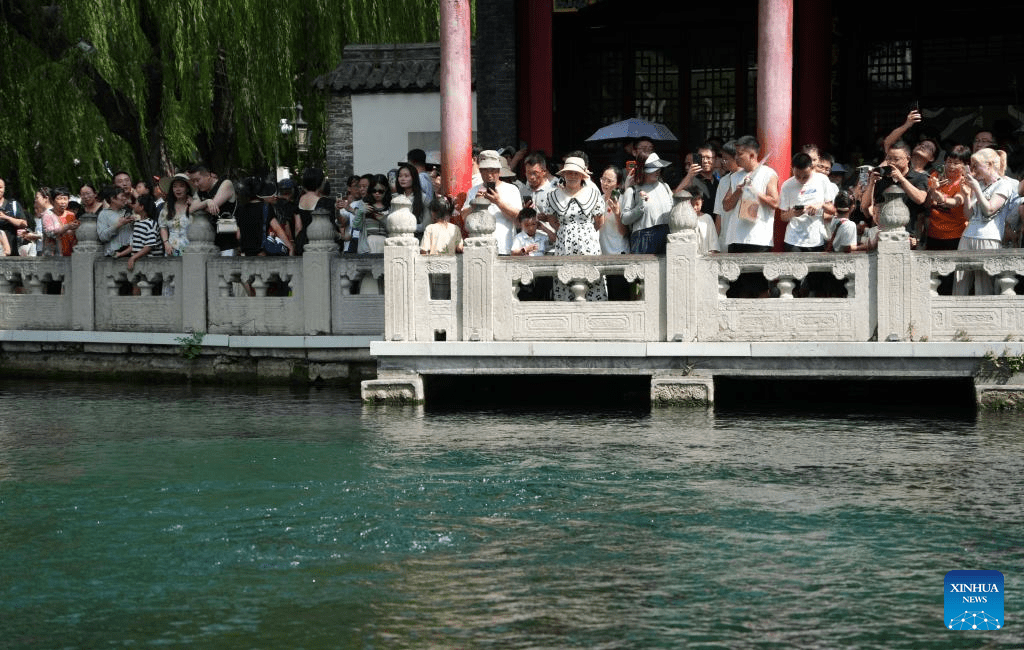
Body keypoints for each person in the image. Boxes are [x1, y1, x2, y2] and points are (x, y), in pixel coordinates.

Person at [721, 135, 780, 297]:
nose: (736, 157)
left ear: (752, 155)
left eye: (740, 154)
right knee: (737, 287)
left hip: (757, 238)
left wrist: (755, 192)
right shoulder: (735, 177)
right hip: (735, 237)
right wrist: (739, 190)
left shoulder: (768, 174)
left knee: (759, 286)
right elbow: (726, 206)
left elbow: (775, 202)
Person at [954, 148, 1016, 295]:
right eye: (972, 166)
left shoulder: (1004, 184)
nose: (974, 169)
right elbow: (969, 215)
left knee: (984, 284)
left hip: (989, 237)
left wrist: (976, 187)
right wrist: (968, 195)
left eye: (977, 165)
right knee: (960, 280)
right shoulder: (980, 184)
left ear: (989, 165)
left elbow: (989, 210)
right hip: (968, 235)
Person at [547, 156, 607, 301]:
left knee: (592, 281)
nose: (572, 176)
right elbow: (552, 221)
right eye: (569, 173)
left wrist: (585, 232)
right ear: (563, 175)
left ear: (582, 176)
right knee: (565, 282)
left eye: (576, 173)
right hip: (564, 245)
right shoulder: (553, 196)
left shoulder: (593, 194)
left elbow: (599, 222)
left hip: (588, 244)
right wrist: (567, 230)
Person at [861, 141, 928, 244]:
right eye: (889, 159)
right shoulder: (881, 178)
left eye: (896, 159)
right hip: (883, 235)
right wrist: (871, 183)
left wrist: (901, 179)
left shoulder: (919, 178)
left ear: (908, 159)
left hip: (908, 237)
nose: (891, 162)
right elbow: (864, 206)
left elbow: (920, 199)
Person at [461, 150, 522, 255]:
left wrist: (498, 202)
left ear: (499, 171)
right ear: (480, 171)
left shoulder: (512, 189)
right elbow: (463, 217)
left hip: (505, 246)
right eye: (485, 170)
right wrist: (474, 204)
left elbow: (518, 217)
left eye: (493, 170)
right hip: (480, 246)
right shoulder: (473, 191)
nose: (489, 175)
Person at [779, 152, 835, 252]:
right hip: (793, 240)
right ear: (792, 169)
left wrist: (821, 205)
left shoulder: (822, 180)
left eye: (805, 176)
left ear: (812, 167)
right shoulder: (787, 185)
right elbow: (783, 216)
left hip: (816, 239)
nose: (801, 179)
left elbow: (833, 210)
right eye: (797, 176)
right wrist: (793, 213)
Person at [621, 152, 674, 254]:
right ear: (642, 170)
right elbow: (624, 219)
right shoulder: (632, 191)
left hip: (666, 235)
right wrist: (640, 207)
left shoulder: (665, 187)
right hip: (643, 238)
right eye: (652, 170)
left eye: (658, 169)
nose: (657, 172)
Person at [925, 145, 970, 252]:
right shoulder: (935, 175)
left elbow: (957, 201)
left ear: (965, 165)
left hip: (955, 235)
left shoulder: (966, 181)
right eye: (949, 162)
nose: (951, 166)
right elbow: (927, 204)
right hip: (933, 233)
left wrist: (943, 200)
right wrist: (932, 190)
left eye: (956, 163)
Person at [187, 164, 236, 254]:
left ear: (208, 176)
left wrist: (202, 205)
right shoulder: (200, 192)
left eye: (198, 180)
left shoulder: (225, 184)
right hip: (209, 240)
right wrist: (207, 202)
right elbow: (191, 210)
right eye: (193, 181)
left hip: (228, 237)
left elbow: (212, 208)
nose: (196, 184)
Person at [115, 194, 163, 271]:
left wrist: (133, 257)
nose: (133, 206)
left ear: (141, 207)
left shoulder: (151, 224)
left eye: (136, 203)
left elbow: (149, 246)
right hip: (140, 264)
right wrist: (120, 254)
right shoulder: (137, 223)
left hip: (151, 265)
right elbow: (134, 245)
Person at [293, 168, 332, 255]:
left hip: (302, 240)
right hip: (320, 241)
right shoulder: (326, 202)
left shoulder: (299, 200)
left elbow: (298, 227)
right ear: (320, 182)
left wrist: (297, 243)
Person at [158, 174, 193, 256]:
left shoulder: (194, 205)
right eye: (175, 186)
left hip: (191, 249)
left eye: (181, 186)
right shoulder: (167, 206)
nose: (178, 189)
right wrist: (166, 243)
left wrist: (193, 205)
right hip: (171, 249)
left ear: (187, 189)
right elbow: (162, 227)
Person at [356, 174, 392, 254]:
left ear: (386, 190)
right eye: (374, 191)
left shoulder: (391, 206)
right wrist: (360, 212)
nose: (377, 193)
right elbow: (356, 226)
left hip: (386, 244)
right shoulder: (365, 205)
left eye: (380, 191)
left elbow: (393, 229)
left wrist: (383, 219)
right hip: (368, 244)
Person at [97, 186, 134, 257]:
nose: (125, 198)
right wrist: (118, 224)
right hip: (112, 255)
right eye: (122, 196)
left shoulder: (126, 212)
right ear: (113, 198)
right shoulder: (104, 214)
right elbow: (103, 237)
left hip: (129, 253)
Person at [684, 184, 721, 254]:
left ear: (702, 202)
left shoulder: (707, 218)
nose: (695, 207)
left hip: (705, 255)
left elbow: (713, 240)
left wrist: (712, 252)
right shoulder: (684, 219)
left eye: (697, 204)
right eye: (692, 205)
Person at [394, 163, 429, 235]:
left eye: (406, 176)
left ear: (414, 178)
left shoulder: (423, 198)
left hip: (416, 237)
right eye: (400, 176)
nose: (402, 179)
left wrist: (407, 228)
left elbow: (426, 225)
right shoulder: (395, 197)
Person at [0, 177, 30, 256]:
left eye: (0, 187)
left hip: (12, 250)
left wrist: (6, 217)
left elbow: (24, 223)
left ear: (4, 188)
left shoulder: (13, 204)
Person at [48, 187, 79, 256]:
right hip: (53, 255)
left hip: (70, 254)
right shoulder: (48, 215)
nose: (63, 202)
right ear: (52, 201)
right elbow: (50, 234)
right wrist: (67, 227)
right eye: (59, 199)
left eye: (65, 199)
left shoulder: (71, 215)